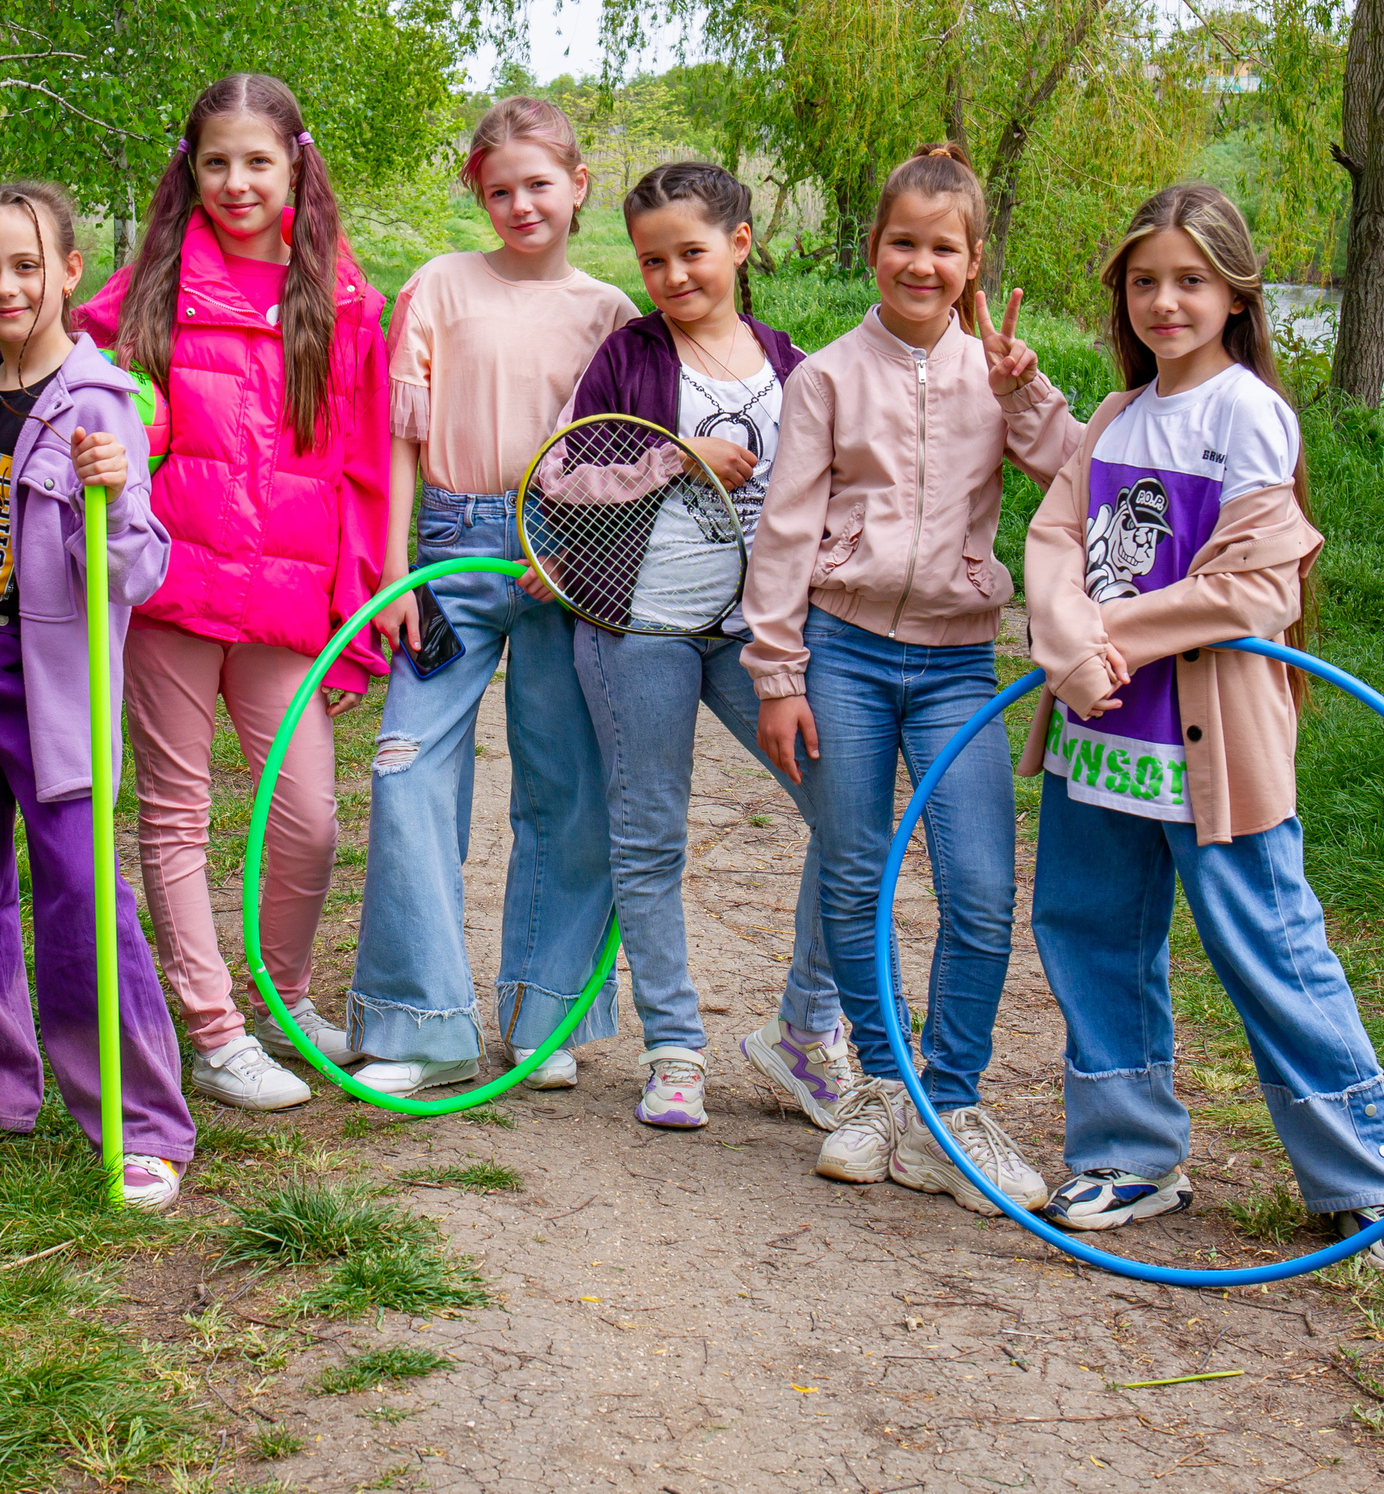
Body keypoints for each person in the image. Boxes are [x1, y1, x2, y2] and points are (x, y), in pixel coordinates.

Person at [1020, 183, 1384, 1275]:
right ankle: (1128, 1154)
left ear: (1236, 296)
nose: (1165, 301)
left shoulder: (1247, 413)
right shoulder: (1116, 416)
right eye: (1145, 281)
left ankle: (1369, 1184)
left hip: (1208, 754)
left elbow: (1256, 588)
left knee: (1270, 948)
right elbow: (1054, 540)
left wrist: (1104, 628)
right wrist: (1066, 643)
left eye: (1191, 281)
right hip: (1101, 738)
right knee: (1089, 933)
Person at [747, 142, 1081, 1208]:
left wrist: (1024, 394)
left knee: (980, 886)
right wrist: (777, 673)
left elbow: (1079, 472)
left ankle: (953, 1104)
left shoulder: (998, 375)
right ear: (873, 248)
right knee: (854, 876)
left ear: (974, 262)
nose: (920, 265)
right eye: (903, 242)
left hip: (955, 664)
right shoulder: (825, 377)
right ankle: (885, 1094)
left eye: (943, 249)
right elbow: (784, 531)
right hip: (842, 654)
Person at [76, 72, 389, 1114]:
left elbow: (361, 465)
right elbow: (98, 404)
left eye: (257, 161)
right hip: (170, 588)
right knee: (176, 813)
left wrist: (355, 610)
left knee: (309, 819)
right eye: (216, 162)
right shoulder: (147, 291)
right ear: (189, 168)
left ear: (296, 163)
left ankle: (284, 1002)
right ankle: (213, 1032)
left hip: (286, 600)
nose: (237, 182)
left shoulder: (342, 301)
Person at [541, 161, 852, 1129]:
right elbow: (559, 476)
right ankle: (674, 1049)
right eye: (652, 261)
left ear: (739, 244)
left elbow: (837, 493)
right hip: (640, 627)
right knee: (648, 834)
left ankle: (805, 1027)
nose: (672, 276)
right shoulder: (628, 358)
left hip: (758, 638)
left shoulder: (795, 366)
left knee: (850, 820)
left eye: (691, 253)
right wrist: (672, 456)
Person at [0, 180, 198, 1209]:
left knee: (80, 892)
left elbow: (134, 572)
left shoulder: (99, 402)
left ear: (70, 273)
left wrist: (113, 498)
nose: (5, 286)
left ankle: (141, 1122)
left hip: (46, 679)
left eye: (27, 266)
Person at [344, 96, 633, 1097]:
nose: (521, 205)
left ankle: (542, 1017)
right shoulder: (439, 286)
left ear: (578, 186)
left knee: (566, 781)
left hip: (567, 554)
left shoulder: (610, 313)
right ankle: (421, 1020)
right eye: (500, 189)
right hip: (451, 546)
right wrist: (392, 573)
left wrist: (587, 561)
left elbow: (625, 459)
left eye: (539, 185)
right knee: (405, 766)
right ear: (480, 192)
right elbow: (402, 438)